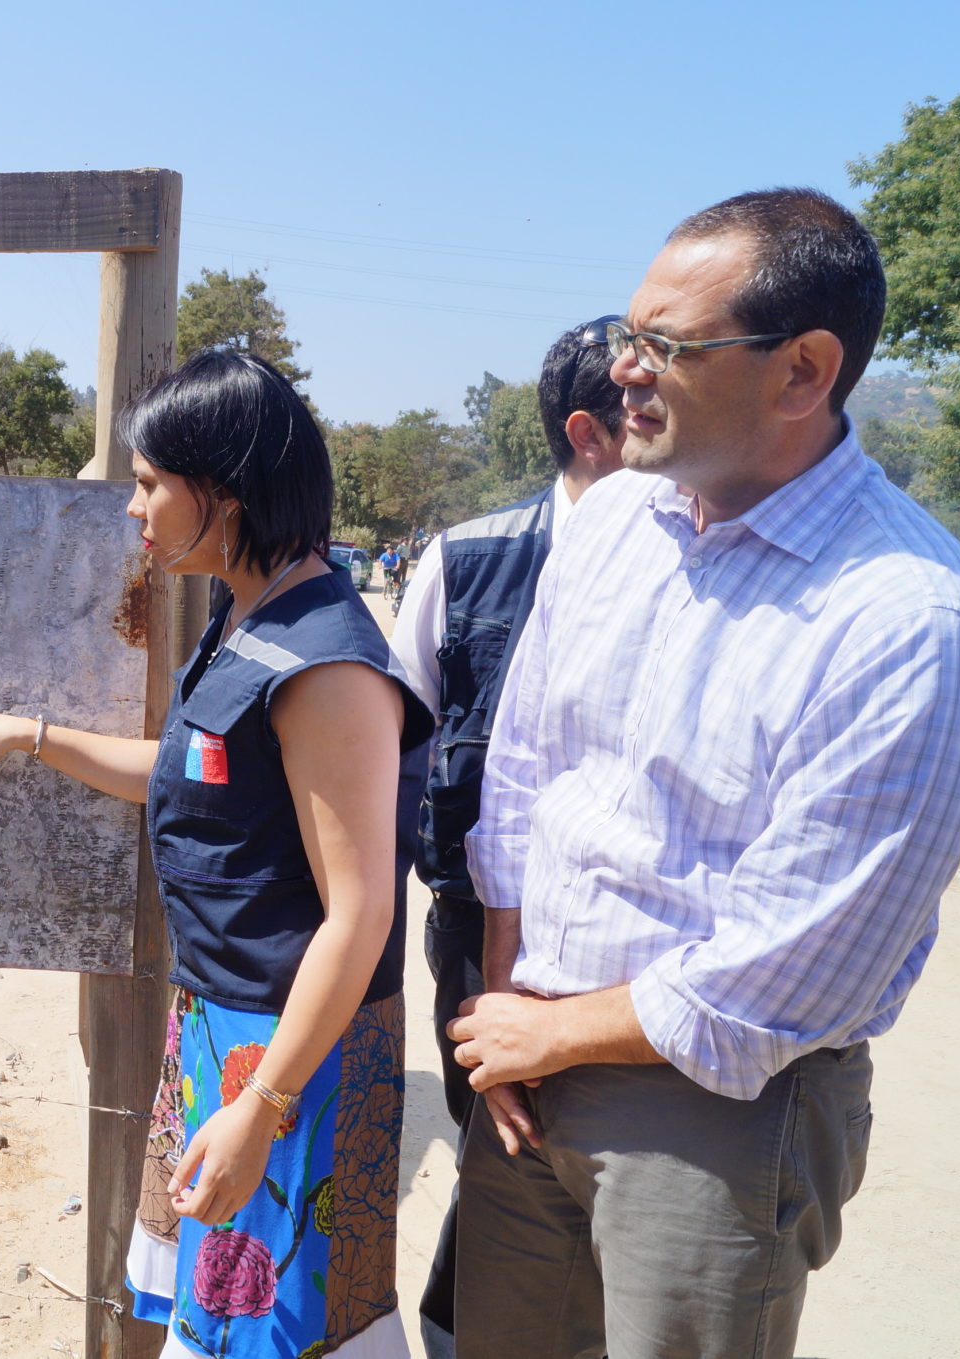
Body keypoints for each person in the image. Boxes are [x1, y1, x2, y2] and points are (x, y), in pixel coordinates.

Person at [447, 189, 960, 1359]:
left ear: (801, 371)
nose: (623, 372)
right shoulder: (612, 523)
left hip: (709, 1116)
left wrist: (551, 1036)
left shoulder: (909, 616)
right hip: (524, 1058)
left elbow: (792, 969)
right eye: (624, 335)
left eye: (663, 346)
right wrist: (504, 992)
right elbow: (526, 771)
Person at [0, 350, 429, 1358]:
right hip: (223, 1029)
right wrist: (28, 734)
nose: (131, 507)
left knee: (278, 1329)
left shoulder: (324, 663)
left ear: (223, 492)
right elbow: (191, 772)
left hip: (289, 1053)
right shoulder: (250, 618)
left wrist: (262, 1109)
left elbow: (358, 913)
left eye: (150, 484)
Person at [388, 315, 629, 1358]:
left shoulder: (710, 557)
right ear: (587, 432)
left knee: (617, 1159)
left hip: (631, 936)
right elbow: (397, 741)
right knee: (506, 1140)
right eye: (641, 396)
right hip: (480, 923)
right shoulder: (468, 558)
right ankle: (462, 1331)